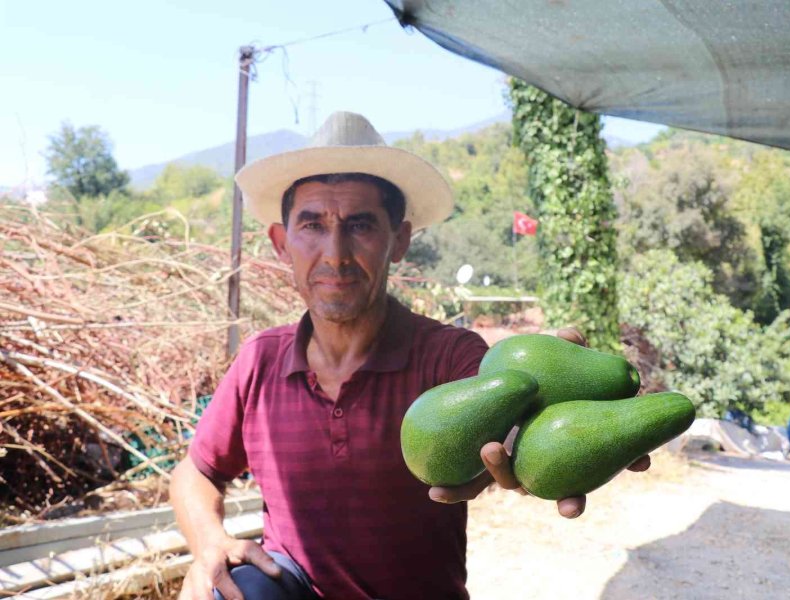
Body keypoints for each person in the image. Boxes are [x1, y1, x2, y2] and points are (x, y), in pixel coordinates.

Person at [171, 111, 650, 600]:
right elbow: (197, 470)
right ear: (281, 242)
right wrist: (209, 543)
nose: (334, 253)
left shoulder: (447, 357)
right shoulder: (260, 362)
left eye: (360, 225)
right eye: (312, 224)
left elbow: (514, 407)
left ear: (399, 240)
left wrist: (558, 428)